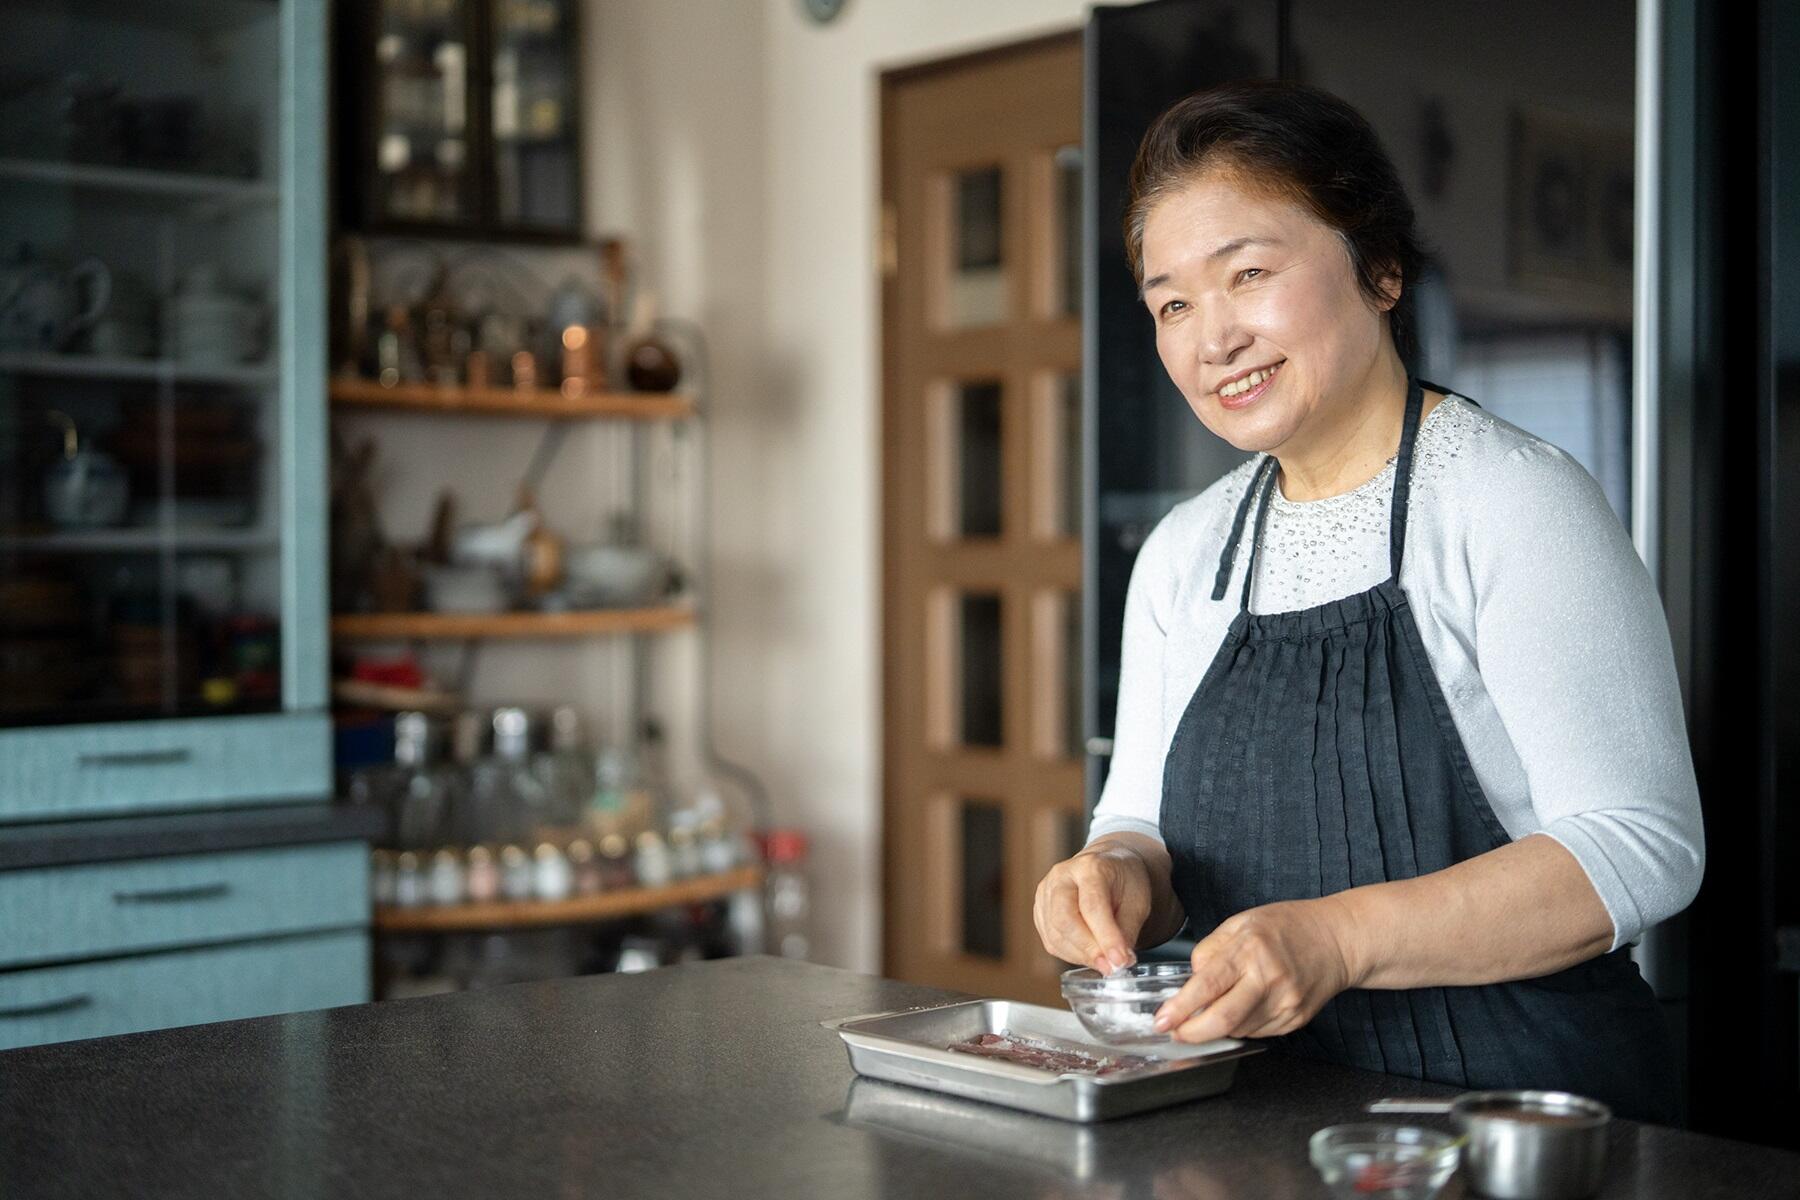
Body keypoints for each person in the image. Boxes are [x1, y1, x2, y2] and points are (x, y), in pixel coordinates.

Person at [1032, 80, 1703, 1123]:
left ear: (1380, 270)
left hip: (1524, 1118)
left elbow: (1638, 844)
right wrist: (1113, 872)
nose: (1212, 339)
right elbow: (1143, 825)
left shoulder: (1508, 498)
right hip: (1267, 1117)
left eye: (1246, 273)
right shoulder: (1184, 553)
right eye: (1172, 303)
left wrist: (1335, 940)